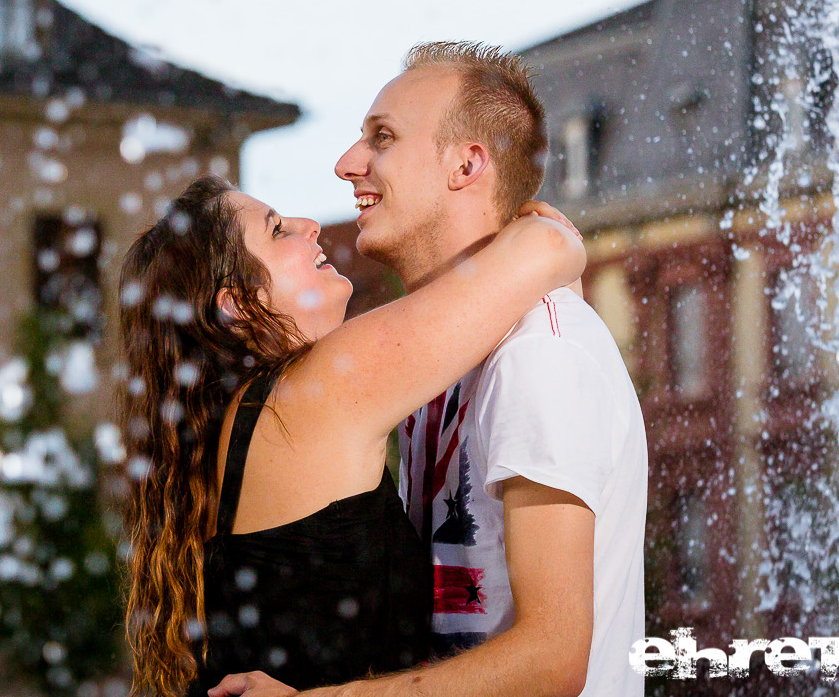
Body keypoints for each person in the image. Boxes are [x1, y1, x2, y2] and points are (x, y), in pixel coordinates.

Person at [210, 41, 648, 697]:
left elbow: (553, 658)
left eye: (381, 138)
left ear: (467, 163)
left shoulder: (538, 353)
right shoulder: (431, 362)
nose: (346, 163)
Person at [117, 171, 586, 697]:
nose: (310, 226)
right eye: (276, 230)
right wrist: (556, 236)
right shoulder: (311, 393)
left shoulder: (249, 423)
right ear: (240, 305)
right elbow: (546, 245)